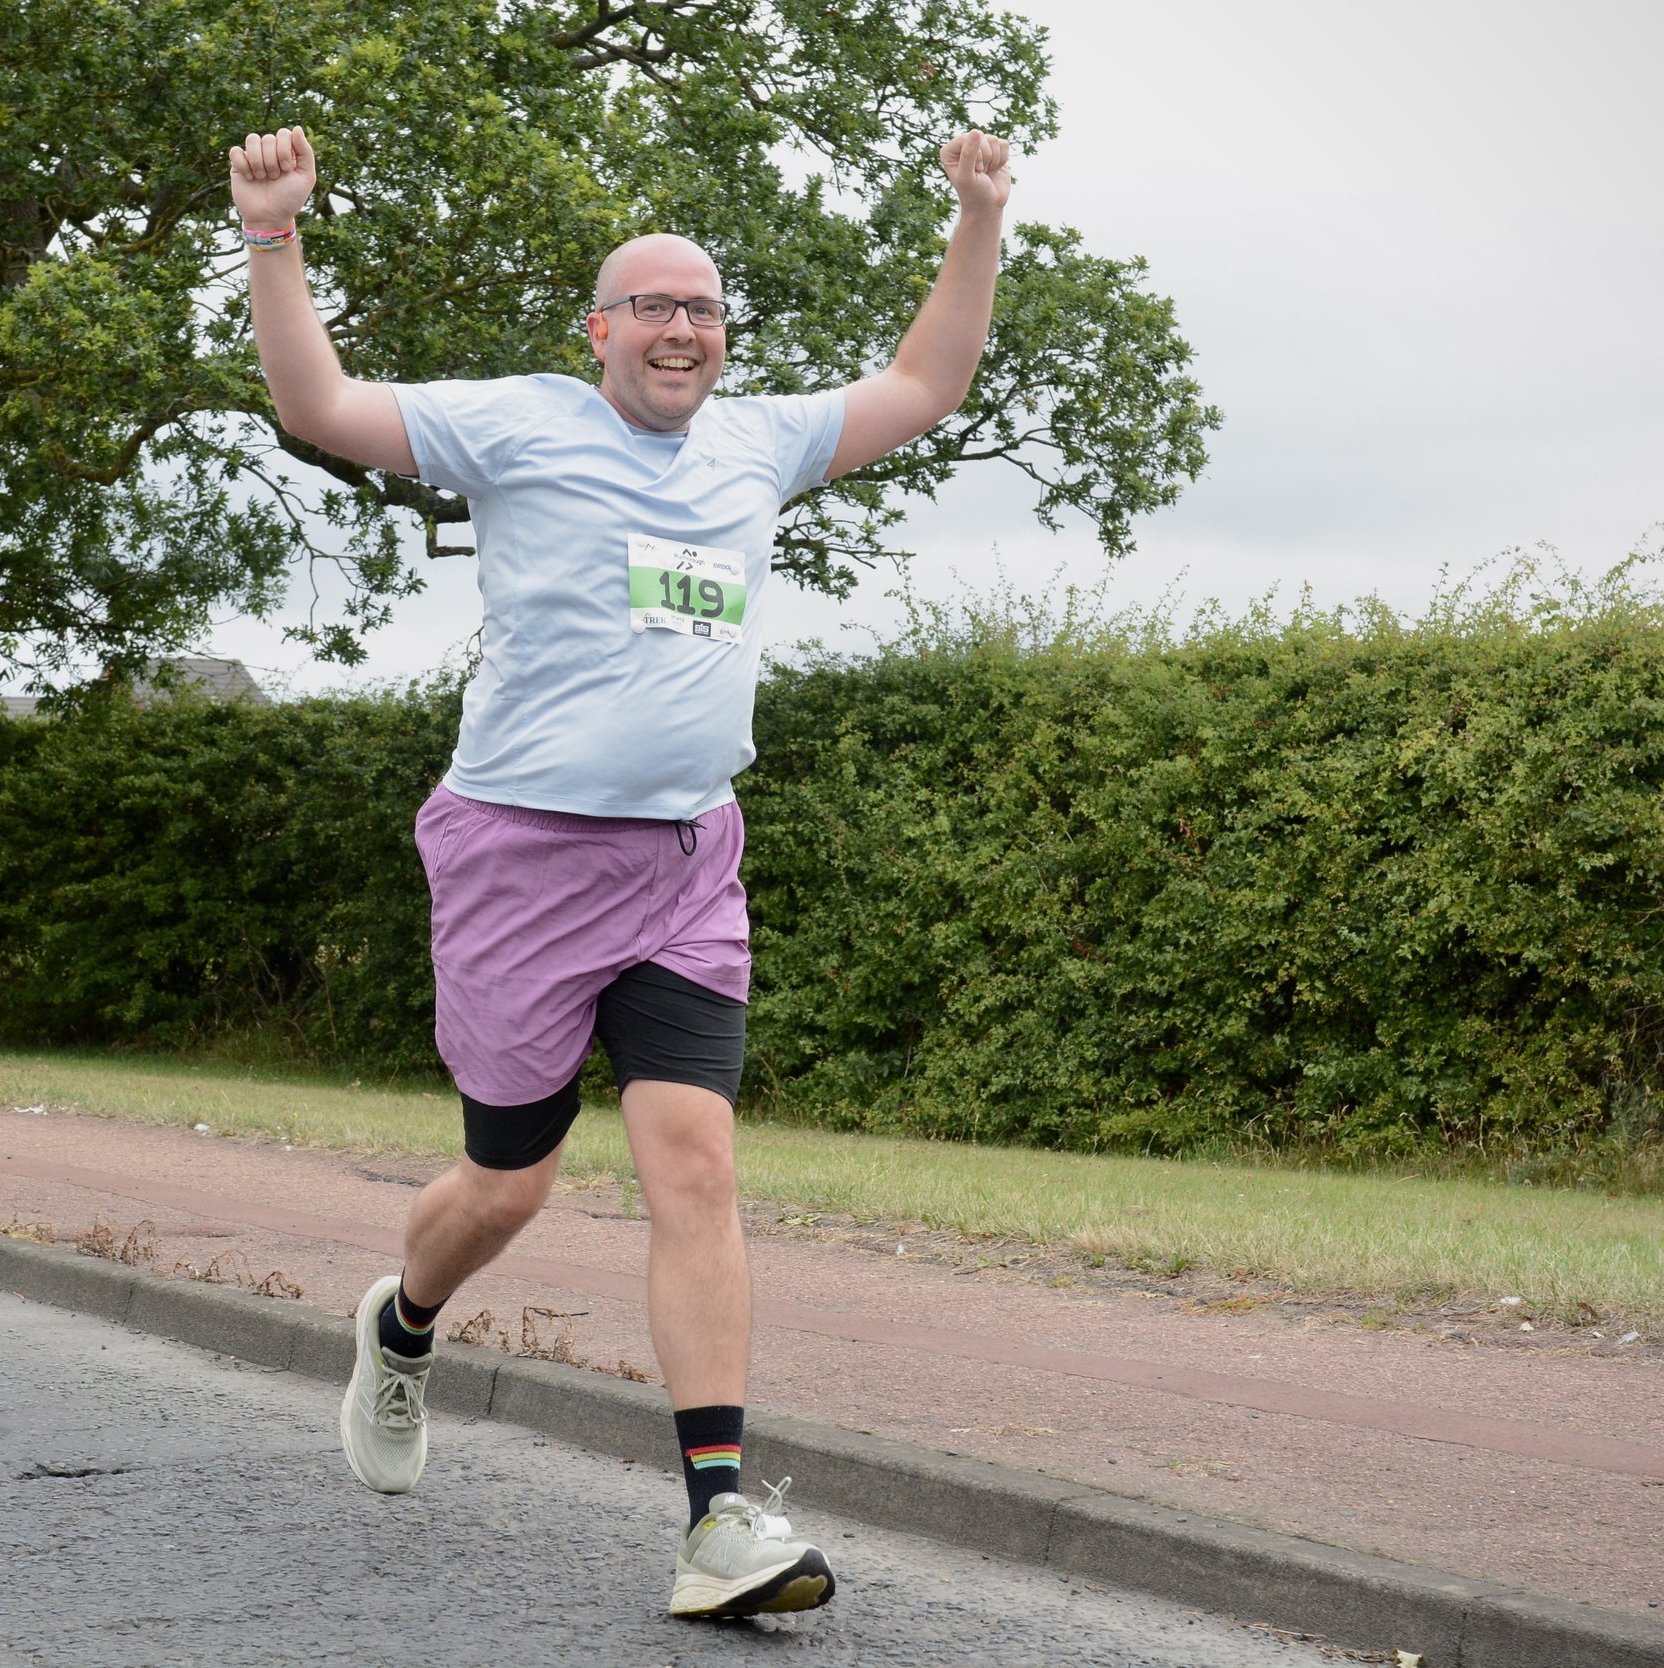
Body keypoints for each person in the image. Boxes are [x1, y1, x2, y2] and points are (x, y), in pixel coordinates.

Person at [229, 121, 1011, 1618]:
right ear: (600, 333)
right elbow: (319, 403)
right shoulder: (519, 425)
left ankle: (718, 1520)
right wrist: (276, 235)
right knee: (508, 1186)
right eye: (651, 303)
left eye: (704, 306)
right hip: (520, 859)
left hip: (685, 860)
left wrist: (974, 218)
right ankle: (402, 1328)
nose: (682, 324)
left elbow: (927, 384)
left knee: (696, 1164)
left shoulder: (757, 442)